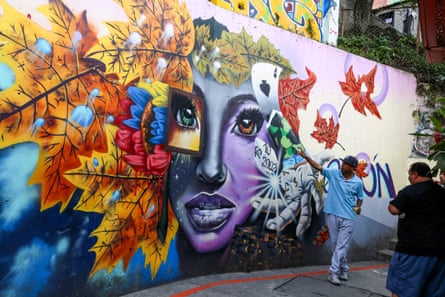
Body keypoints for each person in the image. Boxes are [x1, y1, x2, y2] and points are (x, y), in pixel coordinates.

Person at [299, 151, 364, 285]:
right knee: (336, 245)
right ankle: (344, 268)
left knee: (341, 245)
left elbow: (360, 198)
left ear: (352, 168)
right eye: (343, 163)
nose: (343, 165)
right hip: (332, 214)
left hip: (348, 217)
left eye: (346, 164)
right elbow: (318, 167)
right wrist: (306, 157)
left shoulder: (358, 182)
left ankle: (333, 272)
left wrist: (358, 207)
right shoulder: (334, 174)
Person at [386, 162, 445, 297]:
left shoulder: (410, 191)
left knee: (402, 290)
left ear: (415, 174)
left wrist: (392, 202)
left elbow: (394, 209)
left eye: (409, 174)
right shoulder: (441, 192)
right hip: (440, 252)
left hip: (413, 250)